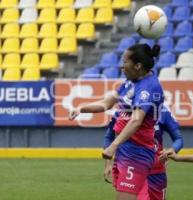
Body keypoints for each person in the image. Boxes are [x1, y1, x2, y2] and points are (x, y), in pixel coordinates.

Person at [69, 43, 164, 200]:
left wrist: (113, 146)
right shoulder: (130, 82)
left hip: (136, 153)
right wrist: (81, 109)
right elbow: (107, 103)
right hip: (125, 150)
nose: (122, 67)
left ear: (138, 66)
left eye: (125, 62)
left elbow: (136, 120)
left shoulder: (149, 87)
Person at [103, 106, 184, 200]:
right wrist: (108, 163)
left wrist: (173, 149)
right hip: (130, 169)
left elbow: (179, 139)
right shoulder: (122, 111)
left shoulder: (162, 111)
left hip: (156, 171)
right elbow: (109, 137)